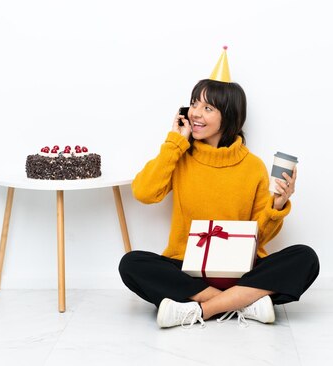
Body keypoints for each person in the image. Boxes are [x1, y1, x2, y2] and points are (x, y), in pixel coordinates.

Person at [118, 47, 319, 328]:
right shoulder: (179, 155)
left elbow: (260, 237)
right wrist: (175, 142)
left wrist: (276, 206)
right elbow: (143, 192)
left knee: (305, 258)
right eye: (194, 104)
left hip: (241, 269)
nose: (196, 113)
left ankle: (198, 310)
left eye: (207, 108)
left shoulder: (253, 167)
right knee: (132, 263)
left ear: (229, 115)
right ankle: (243, 303)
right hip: (189, 269)